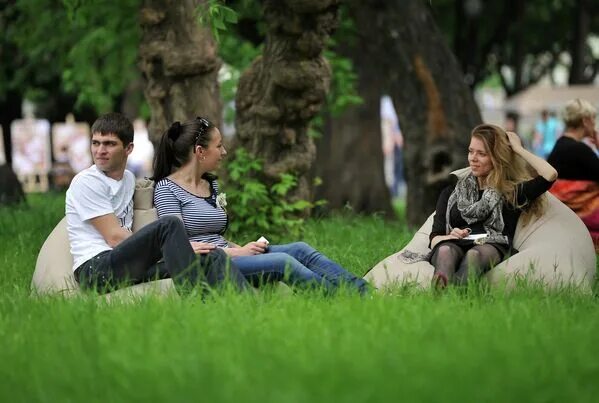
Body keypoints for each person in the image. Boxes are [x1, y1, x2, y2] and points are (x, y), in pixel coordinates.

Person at [152, 116, 370, 295]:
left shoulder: (211, 184)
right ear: (200, 152)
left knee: (300, 249)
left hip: (230, 253)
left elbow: (214, 235)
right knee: (284, 261)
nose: (224, 152)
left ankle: (364, 292)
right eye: (219, 146)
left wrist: (242, 248)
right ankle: (341, 299)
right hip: (208, 265)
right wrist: (238, 253)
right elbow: (179, 248)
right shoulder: (166, 189)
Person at [65, 113, 249, 295]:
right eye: (95, 143)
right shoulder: (87, 181)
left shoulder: (128, 178)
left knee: (211, 257)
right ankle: (194, 302)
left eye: (109, 144)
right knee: (170, 225)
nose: (100, 150)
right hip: (96, 270)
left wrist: (182, 249)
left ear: (129, 148)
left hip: (126, 263)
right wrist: (179, 245)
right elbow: (114, 238)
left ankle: (244, 308)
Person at [428, 124, 558, 288]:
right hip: (455, 244)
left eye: (481, 154)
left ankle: (455, 302)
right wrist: (450, 236)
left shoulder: (511, 192)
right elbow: (435, 237)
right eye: (471, 151)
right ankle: (440, 301)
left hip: (491, 244)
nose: (473, 158)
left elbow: (550, 175)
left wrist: (517, 149)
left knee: (473, 255)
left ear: (497, 158)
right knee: (445, 251)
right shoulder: (452, 192)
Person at [547, 99, 599, 251]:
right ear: (585, 120)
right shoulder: (580, 150)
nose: (595, 124)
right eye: (593, 119)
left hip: (564, 216)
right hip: (586, 216)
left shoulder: (558, 147)